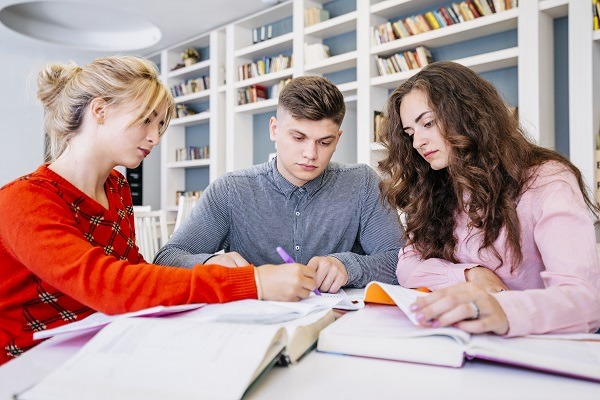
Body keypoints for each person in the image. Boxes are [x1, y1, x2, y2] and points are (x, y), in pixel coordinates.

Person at [0, 56, 317, 365]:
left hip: (101, 345)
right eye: (146, 119)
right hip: (26, 364)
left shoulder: (116, 187)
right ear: (100, 110)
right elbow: (110, 285)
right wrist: (254, 282)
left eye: (161, 124)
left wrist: (213, 267)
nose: (154, 137)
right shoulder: (24, 199)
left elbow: (134, 268)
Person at [379, 61, 600, 336]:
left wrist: (502, 308)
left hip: (539, 344)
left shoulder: (548, 180)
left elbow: (585, 302)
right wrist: (469, 275)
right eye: (410, 133)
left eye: (428, 123)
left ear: (469, 114)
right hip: (470, 341)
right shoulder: (440, 185)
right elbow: (408, 265)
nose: (418, 143)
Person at [155, 76, 403, 293]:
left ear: (337, 139)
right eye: (298, 137)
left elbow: (399, 261)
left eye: (324, 142)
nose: (310, 154)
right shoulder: (231, 190)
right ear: (274, 129)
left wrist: (350, 267)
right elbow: (167, 259)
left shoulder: (362, 184)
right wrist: (209, 264)